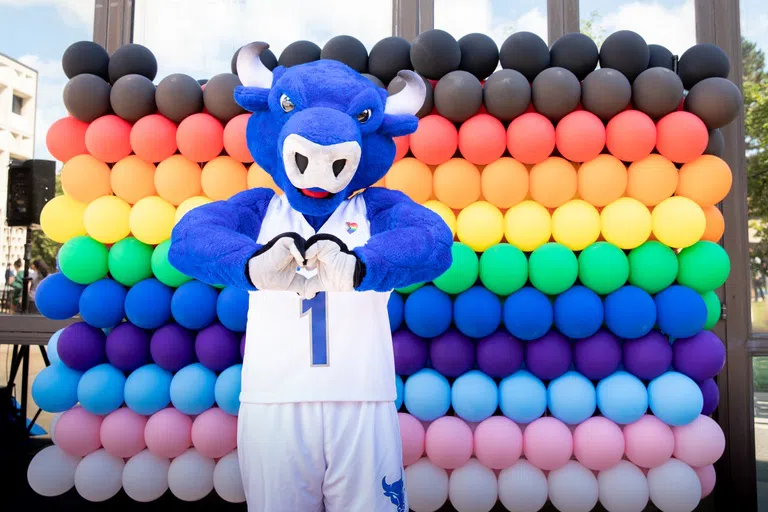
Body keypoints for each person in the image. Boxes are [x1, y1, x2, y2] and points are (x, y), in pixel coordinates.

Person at [169, 43, 452, 512]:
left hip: (362, 396)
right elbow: (188, 240)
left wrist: (363, 266)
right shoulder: (260, 209)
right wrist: (251, 264)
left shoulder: (376, 208)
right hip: (272, 398)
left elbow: (433, 243)